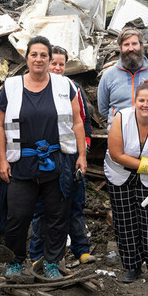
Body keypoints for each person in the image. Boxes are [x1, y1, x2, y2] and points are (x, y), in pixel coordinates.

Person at [0, 36, 88, 282]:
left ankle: (52, 262)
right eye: (34, 54)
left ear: (49, 59)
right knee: (17, 216)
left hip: (57, 161)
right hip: (21, 162)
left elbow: (77, 121)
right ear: (26, 58)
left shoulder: (64, 85)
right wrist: (2, 160)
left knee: (57, 215)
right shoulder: (12, 86)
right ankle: (15, 261)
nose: (39, 59)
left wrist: (82, 155)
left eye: (43, 55)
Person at [28, 45, 95, 264]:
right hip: (42, 158)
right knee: (40, 209)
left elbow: (82, 122)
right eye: (53, 63)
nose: (57, 67)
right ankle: (38, 254)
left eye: (61, 64)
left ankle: (81, 249)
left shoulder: (72, 88)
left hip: (69, 157)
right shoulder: (30, 86)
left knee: (75, 205)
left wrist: (81, 153)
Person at [104, 81, 148, 289]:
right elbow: (117, 154)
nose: (145, 105)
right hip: (120, 175)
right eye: (141, 100)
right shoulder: (121, 118)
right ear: (135, 101)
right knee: (125, 221)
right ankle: (132, 266)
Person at [97, 27, 148, 119]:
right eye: (126, 44)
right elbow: (103, 109)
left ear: (141, 45)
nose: (131, 48)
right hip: (118, 130)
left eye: (134, 44)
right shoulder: (109, 75)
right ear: (121, 48)